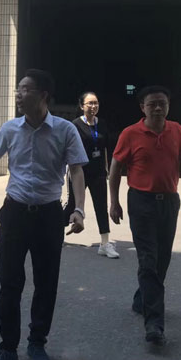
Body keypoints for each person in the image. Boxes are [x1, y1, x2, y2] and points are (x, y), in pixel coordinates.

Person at [0, 68, 88, 360]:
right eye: (18, 89)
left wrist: (79, 209)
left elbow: (77, 170)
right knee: (10, 283)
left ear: (43, 95)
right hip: (15, 214)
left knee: (46, 283)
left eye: (25, 89)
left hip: (49, 216)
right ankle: (7, 350)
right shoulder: (10, 129)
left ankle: (37, 343)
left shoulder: (65, 130)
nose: (18, 94)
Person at [108, 85, 181, 346]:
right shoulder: (130, 134)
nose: (158, 108)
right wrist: (114, 202)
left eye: (162, 103)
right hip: (141, 202)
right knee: (148, 259)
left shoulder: (177, 130)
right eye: (152, 104)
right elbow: (115, 168)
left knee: (162, 260)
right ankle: (154, 324)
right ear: (143, 107)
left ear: (168, 106)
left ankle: (142, 298)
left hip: (169, 203)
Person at [68, 91, 118, 258]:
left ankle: (105, 243)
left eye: (95, 103)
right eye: (89, 103)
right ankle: (54, 232)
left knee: (101, 206)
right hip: (79, 171)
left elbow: (106, 148)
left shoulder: (102, 124)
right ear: (82, 106)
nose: (93, 106)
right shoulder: (75, 125)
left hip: (98, 172)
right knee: (72, 205)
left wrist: (108, 169)